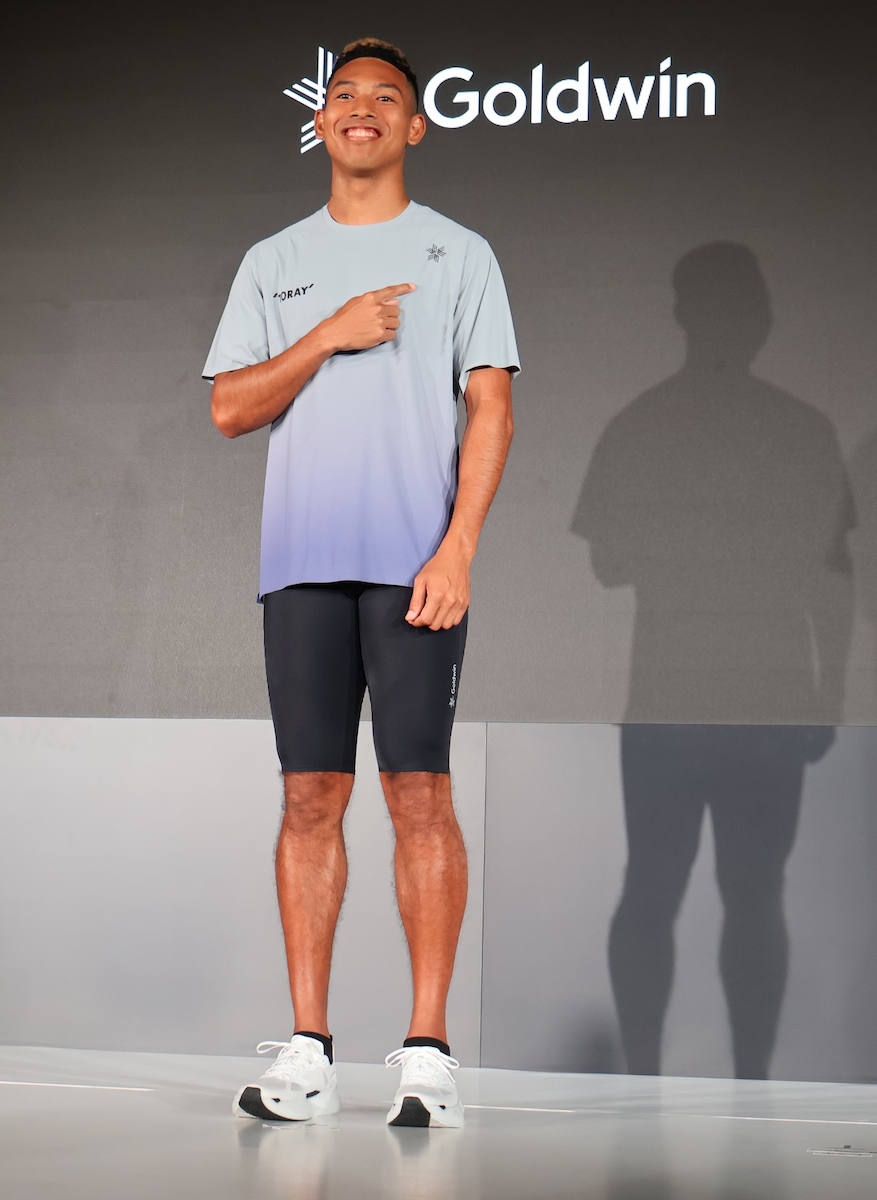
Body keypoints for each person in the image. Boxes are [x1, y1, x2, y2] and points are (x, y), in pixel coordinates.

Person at [202, 38, 518, 1128]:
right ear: (321, 121)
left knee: (419, 795)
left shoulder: (460, 254)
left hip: (413, 567)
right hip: (300, 567)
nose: (362, 108)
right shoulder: (272, 260)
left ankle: (427, 1052)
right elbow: (230, 407)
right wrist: (328, 335)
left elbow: (492, 408)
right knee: (309, 799)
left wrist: (458, 548)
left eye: (386, 97)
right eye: (344, 94)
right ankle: (309, 1050)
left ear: (415, 126)